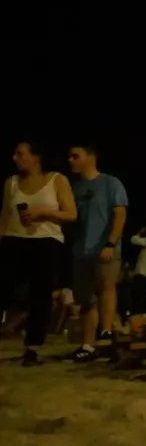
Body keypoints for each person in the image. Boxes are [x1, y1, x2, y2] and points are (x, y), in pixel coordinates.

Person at [0, 142, 77, 366]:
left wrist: (43, 212)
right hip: (14, 240)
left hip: (46, 241)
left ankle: (32, 349)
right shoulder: (11, 183)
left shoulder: (57, 179)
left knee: (40, 297)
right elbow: (5, 216)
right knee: (4, 289)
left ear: (37, 157)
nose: (15, 158)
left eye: (20, 154)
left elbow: (71, 214)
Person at [65, 144, 128, 361]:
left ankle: (107, 335)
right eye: (70, 157)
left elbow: (120, 215)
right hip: (82, 250)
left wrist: (110, 243)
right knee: (86, 299)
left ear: (90, 157)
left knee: (107, 287)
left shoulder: (111, 183)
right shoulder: (75, 188)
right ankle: (87, 345)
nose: (71, 160)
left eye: (76, 156)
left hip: (105, 248)